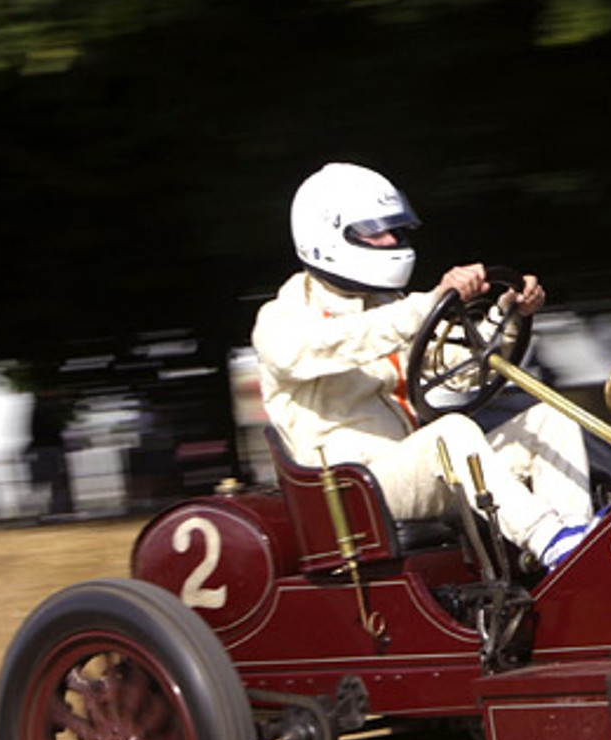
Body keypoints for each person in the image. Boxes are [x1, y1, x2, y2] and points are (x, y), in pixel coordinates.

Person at [252, 162, 592, 569]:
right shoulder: (282, 319)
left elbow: (461, 369)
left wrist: (508, 316)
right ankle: (546, 537)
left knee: (551, 420)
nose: (393, 239)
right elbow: (336, 342)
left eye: (396, 229)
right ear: (328, 236)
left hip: (419, 473)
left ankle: (575, 550)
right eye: (376, 231)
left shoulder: (390, 306)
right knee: (451, 433)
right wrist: (425, 306)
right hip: (350, 494)